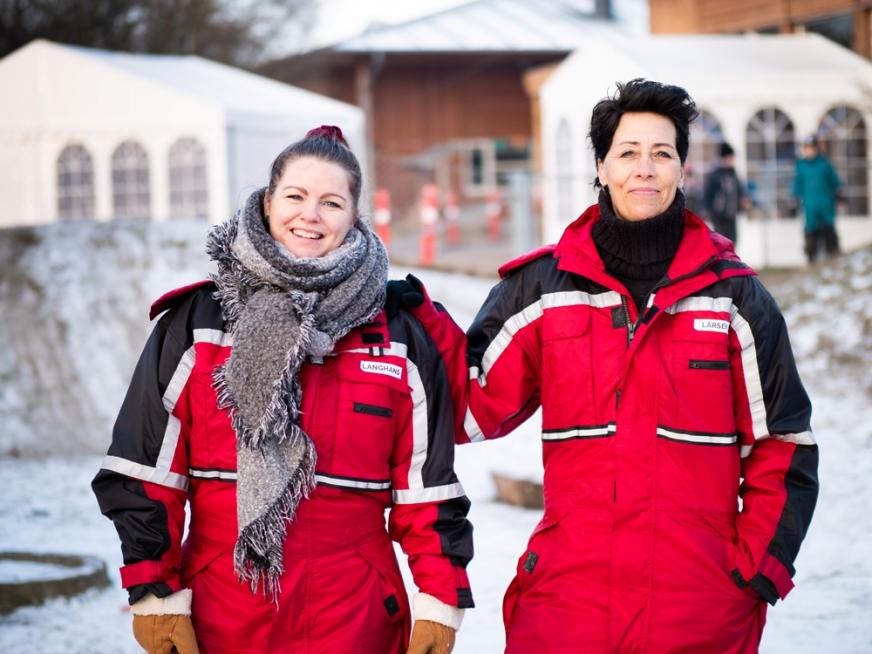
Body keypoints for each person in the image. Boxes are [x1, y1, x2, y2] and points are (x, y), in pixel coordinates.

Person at [398, 79, 819, 653]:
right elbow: (470, 409)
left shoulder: (734, 299)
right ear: (601, 164)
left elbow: (785, 444)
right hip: (567, 609)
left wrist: (753, 574)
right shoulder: (543, 290)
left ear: (681, 168)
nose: (644, 168)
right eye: (627, 152)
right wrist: (417, 322)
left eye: (662, 153)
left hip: (699, 612)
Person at [92, 126, 473, 654]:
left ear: (354, 216)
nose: (310, 215)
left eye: (331, 202)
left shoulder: (398, 333)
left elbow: (426, 489)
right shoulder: (200, 321)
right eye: (295, 196)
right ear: (269, 202)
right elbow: (146, 471)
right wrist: (155, 593)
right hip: (223, 613)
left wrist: (439, 601)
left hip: (356, 617)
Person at [792, 135, 842, 263]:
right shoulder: (801, 165)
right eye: (806, 148)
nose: (808, 151)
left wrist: (839, 195)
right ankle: (811, 257)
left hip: (826, 203)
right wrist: (794, 199)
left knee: (829, 229)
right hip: (810, 204)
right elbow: (797, 184)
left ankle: (833, 254)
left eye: (810, 148)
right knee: (811, 231)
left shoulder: (824, 163)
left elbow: (834, 181)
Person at [703, 142, 750, 245]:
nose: (731, 160)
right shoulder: (715, 175)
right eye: (729, 157)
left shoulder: (734, 174)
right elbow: (707, 195)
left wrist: (744, 199)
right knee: (721, 243)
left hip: (732, 215)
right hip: (718, 217)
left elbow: (740, 190)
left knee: (733, 242)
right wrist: (709, 212)